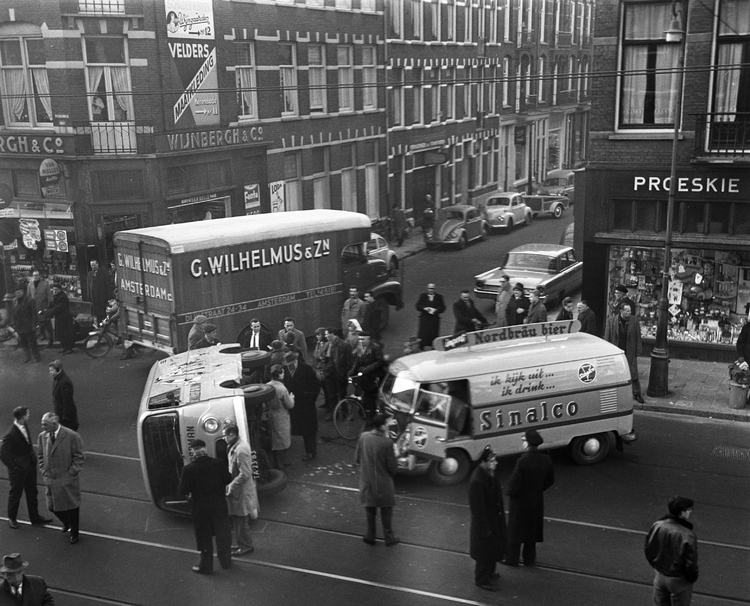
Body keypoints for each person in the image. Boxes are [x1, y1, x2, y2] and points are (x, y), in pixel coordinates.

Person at [178, 439, 233, 574]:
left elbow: (182, 490)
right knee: (223, 535)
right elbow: (228, 479)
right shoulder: (218, 464)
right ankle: (226, 562)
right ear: (205, 449)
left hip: (201, 509)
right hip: (219, 506)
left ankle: (206, 566)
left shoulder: (188, 470)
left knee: (204, 538)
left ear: (193, 452)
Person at [504, 428, 554, 567]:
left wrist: (510, 493)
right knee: (531, 533)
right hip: (536, 501)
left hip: (520, 503)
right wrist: (537, 489)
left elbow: (514, 483)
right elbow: (550, 480)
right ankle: (529, 560)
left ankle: (512, 559)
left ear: (527, 443)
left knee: (515, 532)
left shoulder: (522, 461)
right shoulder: (546, 459)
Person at [37, 412, 85, 545]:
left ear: (54, 424)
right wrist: (44, 471)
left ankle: (74, 533)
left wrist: (70, 474)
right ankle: (66, 522)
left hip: (67, 481)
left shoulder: (71, 436)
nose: (42, 427)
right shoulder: (42, 436)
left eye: (44, 424)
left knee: (72, 507)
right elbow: (41, 456)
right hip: (51, 480)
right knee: (51, 507)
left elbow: (79, 458)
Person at [0, 407, 52, 530]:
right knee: (15, 494)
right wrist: (14, 467)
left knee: (32, 492)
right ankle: (12, 518)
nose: (29, 416)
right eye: (27, 414)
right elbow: (3, 453)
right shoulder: (11, 434)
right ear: (22, 417)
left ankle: (35, 517)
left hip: (28, 465)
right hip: (18, 470)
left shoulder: (24, 426)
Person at [645, 496, 699, 606]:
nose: (690, 513)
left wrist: (657, 566)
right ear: (682, 513)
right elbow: (691, 563)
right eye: (689, 510)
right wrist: (690, 579)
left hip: (660, 575)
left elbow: (649, 549)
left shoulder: (657, 525)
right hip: (678, 579)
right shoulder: (687, 535)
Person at [355, 413, 399, 546]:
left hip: (367, 481)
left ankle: (370, 535)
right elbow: (392, 467)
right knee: (386, 511)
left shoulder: (364, 437)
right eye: (387, 423)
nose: (389, 425)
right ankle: (389, 537)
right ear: (381, 426)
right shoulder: (387, 443)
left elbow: (357, 458)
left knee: (370, 510)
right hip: (383, 483)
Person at [468, 446, 507, 592]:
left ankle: (490, 571)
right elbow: (478, 510)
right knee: (484, 553)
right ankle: (481, 579)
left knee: (491, 550)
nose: (495, 463)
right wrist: (484, 529)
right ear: (483, 462)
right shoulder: (478, 481)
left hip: (493, 521)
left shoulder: (488, 474)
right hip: (486, 524)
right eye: (492, 460)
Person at [222, 425, 258, 557]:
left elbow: (245, 473)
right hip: (239, 490)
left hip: (241, 491)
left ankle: (246, 546)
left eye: (225, 435)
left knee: (241, 520)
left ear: (231, 435)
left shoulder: (241, 450)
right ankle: (241, 543)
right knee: (238, 519)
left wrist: (232, 485)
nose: (224, 438)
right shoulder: (236, 445)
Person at [604, 302, 644, 403]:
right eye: (627, 311)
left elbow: (638, 336)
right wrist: (607, 351)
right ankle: (614, 394)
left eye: (630, 311)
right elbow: (607, 336)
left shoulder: (634, 321)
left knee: (633, 373)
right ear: (621, 311)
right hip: (616, 351)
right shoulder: (611, 321)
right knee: (615, 373)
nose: (629, 312)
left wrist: (638, 350)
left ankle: (637, 393)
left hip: (630, 351)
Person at [284, 351, 320, 461]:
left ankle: (310, 452)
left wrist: (310, 399)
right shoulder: (285, 370)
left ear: (295, 361)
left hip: (306, 404)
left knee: (308, 430)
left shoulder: (306, 369)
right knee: (298, 428)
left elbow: (315, 386)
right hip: (293, 404)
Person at [349, 332, 387, 415]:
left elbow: (380, 361)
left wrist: (368, 368)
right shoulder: (360, 347)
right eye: (359, 339)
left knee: (370, 395)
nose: (361, 341)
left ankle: (372, 413)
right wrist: (353, 370)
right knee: (361, 390)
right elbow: (357, 361)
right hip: (364, 374)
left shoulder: (375, 348)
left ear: (369, 339)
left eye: (363, 339)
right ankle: (363, 409)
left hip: (374, 374)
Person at [266, 364, 295, 469]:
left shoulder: (267, 386)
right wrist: (291, 397)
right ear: (279, 374)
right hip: (281, 416)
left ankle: (277, 463)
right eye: (282, 372)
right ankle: (280, 466)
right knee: (283, 442)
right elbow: (290, 405)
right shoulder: (282, 389)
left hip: (270, 415)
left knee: (274, 442)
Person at [12, 282, 41, 364]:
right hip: (19, 326)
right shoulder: (14, 301)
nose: (18, 293)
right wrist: (14, 324)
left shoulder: (30, 300)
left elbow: (34, 314)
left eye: (19, 292)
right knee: (23, 343)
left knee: (32, 343)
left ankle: (36, 357)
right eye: (16, 292)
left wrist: (34, 325)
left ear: (23, 292)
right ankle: (28, 357)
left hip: (29, 325)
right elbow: (13, 313)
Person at [44, 284, 75, 354]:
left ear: (60, 289)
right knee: (61, 334)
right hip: (60, 318)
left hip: (65, 318)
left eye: (56, 289)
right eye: (53, 289)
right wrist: (47, 310)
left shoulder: (62, 297)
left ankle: (69, 348)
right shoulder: (57, 296)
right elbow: (52, 305)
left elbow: (58, 308)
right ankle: (64, 347)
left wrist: (49, 312)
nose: (54, 291)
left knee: (66, 334)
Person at [48, 360, 79, 431]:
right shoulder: (57, 379)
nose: (50, 373)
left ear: (58, 370)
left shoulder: (65, 382)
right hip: (61, 414)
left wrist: (65, 417)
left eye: (51, 370)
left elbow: (67, 401)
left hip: (66, 417)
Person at [326, 327, 352, 408]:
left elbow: (349, 362)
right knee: (332, 395)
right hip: (331, 374)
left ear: (332, 334)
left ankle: (345, 414)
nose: (326, 336)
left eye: (327, 334)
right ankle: (335, 414)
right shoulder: (328, 344)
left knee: (342, 395)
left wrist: (344, 373)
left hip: (340, 375)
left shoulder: (344, 345)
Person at [415, 284, 446, 350]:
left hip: (434, 319)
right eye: (430, 289)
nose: (431, 290)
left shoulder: (439, 297)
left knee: (433, 334)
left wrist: (436, 310)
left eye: (432, 289)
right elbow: (418, 306)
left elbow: (443, 307)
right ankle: (421, 347)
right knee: (423, 334)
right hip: (425, 319)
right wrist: (424, 308)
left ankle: (433, 346)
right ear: (427, 289)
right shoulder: (423, 296)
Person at [28, 270, 52, 346]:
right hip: (34, 307)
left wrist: (49, 306)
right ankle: (43, 335)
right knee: (38, 322)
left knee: (47, 322)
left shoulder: (45, 284)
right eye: (34, 275)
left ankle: (51, 338)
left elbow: (49, 296)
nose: (35, 277)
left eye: (37, 275)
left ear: (40, 276)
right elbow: (28, 296)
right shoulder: (30, 285)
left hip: (43, 306)